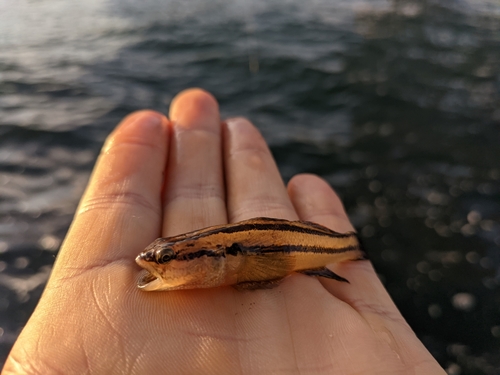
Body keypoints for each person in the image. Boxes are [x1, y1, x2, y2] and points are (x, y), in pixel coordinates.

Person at [2, 89, 446, 374]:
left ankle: (356, 247)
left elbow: (273, 266)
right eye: (159, 256)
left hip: (311, 246)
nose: (149, 262)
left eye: (163, 258)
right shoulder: (215, 256)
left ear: (209, 258)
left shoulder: (230, 255)